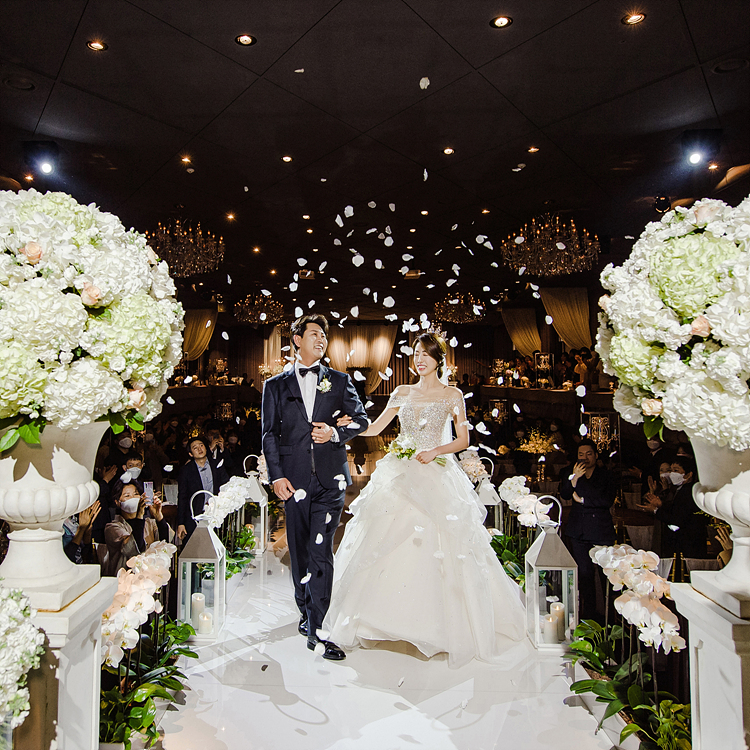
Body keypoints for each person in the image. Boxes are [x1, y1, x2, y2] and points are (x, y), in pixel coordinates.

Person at [324, 332, 525, 667]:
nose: (419, 360)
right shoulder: (402, 392)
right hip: (400, 472)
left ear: (438, 360)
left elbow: (463, 439)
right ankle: (380, 620)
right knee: (384, 538)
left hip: (435, 471)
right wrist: (348, 425)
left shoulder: (453, 395)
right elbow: (375, 428)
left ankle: (440, 627)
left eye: (426, 354)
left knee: (441, 541)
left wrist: (436, 451)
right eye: (416, 353)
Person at [261, 314, 369, 661]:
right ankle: (305, 608)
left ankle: (319, 629)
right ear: (297, 339)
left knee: (321, 551)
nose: (321, 339)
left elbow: (361, 419)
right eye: (314, 334)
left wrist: (335, 432)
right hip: (292, 481)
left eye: (324, 335)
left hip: (329, 480)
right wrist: (277, 477)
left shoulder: (339, 380)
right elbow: (269, 435)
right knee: (300, 551)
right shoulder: (275, 386)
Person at [560, 439, 617, 622]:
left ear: (596, 455)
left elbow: (606, 500)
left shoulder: (606, 476)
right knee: (584, 575)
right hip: (579, 531)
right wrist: (574, 478)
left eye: (589, 454)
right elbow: (565, 494)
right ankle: (588, 617)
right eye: (581, 454)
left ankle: (609, 618)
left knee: (606, 575)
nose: (584, 458)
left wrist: (584, 501)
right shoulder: (571, 473)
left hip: (601, 531)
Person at [639, 455, 708, 559]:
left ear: (688, 474)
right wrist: (661, 505)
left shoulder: (687, 491)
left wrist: (656, 510)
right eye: (671, 470)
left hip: (688, 542)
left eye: (676, 470)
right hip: (684, 542)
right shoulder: (680, 490)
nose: (672, 474)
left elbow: (678, 519)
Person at [104, 483, 171, 575]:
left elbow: (165, 544)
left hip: (150, 577)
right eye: (127, 495)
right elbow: (132, 549)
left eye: (136, 494)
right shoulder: (113, 527)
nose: (133, 498)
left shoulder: (149, 523)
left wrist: (158, 517)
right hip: (126, 578)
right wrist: (139, 515)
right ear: (117, 502)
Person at [176, 436, 230, 543]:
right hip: (195, 514)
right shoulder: (186, 470)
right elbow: (182, 497)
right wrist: (181, 523)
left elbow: (226, 486)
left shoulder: (216, 464)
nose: (199, 449)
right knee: (195, 546)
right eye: (195, 448)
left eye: (201, 446)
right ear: (191, 454)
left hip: (216, 514)